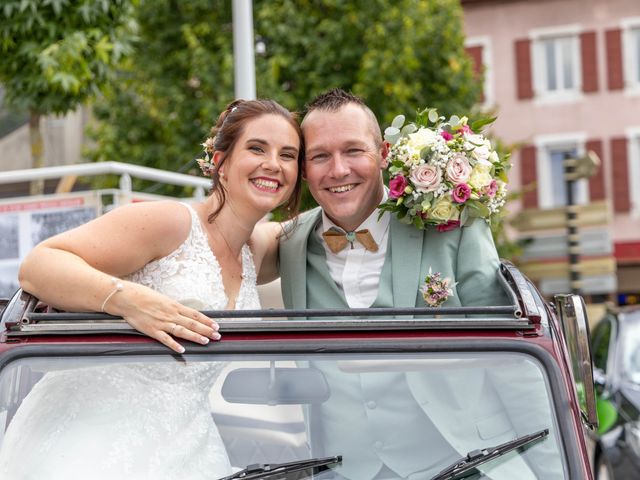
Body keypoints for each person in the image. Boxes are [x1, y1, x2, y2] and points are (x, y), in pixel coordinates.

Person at [259, 88, 562, 479]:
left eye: (353, 150)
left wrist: (556, 471)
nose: (337, 170)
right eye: (320, 156)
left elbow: (514, 362)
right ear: (303, 169)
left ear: (383, 153)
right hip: (343, 470)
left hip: (466, 462)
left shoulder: (452, 227)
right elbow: (207, 242)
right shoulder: (290, 242)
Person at [0, 99, 303, 480]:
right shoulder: (171, 222)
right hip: (91, 437)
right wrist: (129, 301)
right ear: (221, 162)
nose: (273, 163)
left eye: (288, 155)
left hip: (189, 444)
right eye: (257, 148)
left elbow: (329, 219)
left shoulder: (257, 250)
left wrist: (395, 184)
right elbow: (39, 265)